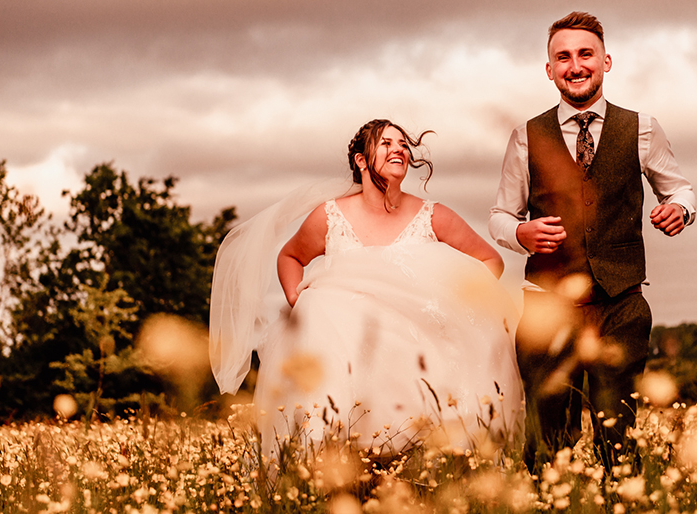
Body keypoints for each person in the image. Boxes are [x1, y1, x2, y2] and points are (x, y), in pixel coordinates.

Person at [210, 119, 524, 463]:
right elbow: (290, 257)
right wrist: (301, 303)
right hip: (347, 352)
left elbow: (490, 261)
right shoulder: (329, 217)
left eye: (403, 145)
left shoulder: (434, 216)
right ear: (361, 160)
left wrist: (447, 301)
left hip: (415, 351)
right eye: (386, 143)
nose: (399, 150)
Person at [489, 12, 696, 473]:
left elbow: (679, 190)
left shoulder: (643, 128)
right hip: (547, 307)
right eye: (563, 57)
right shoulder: (526, 137)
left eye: (585, 54)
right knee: (547, 442)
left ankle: (620, 501)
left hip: (621, 304)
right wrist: (520, 233)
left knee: (617, 440)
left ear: (606, 61)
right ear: (549, 70)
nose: (575, 65)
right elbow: (501, 216)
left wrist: (679, 210)